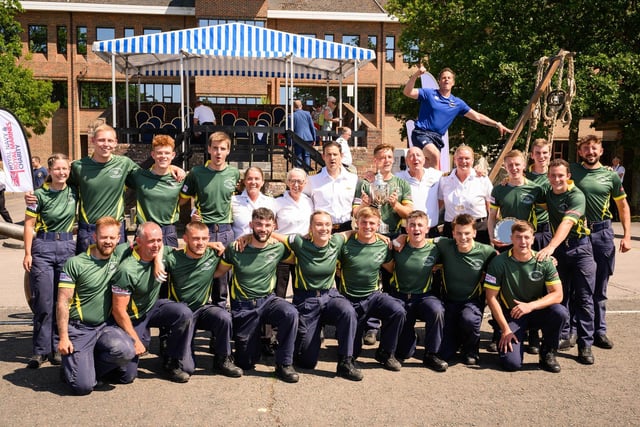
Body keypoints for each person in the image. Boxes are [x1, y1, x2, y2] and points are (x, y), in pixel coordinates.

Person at [215, 207, 300, 383]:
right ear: (251, 224)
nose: (263, 228)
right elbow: (217, 273)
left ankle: (284, 363)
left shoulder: (278, 249)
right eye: (259, 224)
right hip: (244, 306)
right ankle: (251, 345)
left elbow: (301, 256)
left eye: (268, 225)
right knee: (246, 363)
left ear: (274, 226)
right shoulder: (236, 248)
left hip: (268, 301)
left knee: (290, 312)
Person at [56, 217, 136, 394]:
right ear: (94, 236)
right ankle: (73, 369)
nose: (108, 242)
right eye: (103, 237)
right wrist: (63, 337)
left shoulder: (120, 254)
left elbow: (153, 243)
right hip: (80, 328)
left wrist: (209, 245)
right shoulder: (75, 263)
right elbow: (62, 302)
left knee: (127, 358)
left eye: (112, 238)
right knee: (82, 387)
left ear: (118, 238)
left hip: (105, 326)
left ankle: (86, 366)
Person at [282, 211, 362, 381]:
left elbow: (351, 232)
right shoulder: (299, 242)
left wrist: (379, 235)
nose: (323, 228)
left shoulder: (336, 241)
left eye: (327, 224)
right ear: (311, 227)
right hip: (307, 300)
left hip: (329, 295)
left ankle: (345, 363)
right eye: (318, 224)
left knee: (348, 310)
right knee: (306, 362)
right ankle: (312, 334)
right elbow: (274, 236)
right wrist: (247, 237)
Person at [110, 222, 194, 383]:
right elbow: (118, 311)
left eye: (159, 240)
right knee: (127, 376)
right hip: (131, 317)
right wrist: (134, 340)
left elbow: (191, 249)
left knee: (183, 313)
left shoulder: (158, 252)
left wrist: (158, 260)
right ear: (139, 241)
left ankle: (171, 361)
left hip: (151, 308)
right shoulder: (127, 269)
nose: (156, 245)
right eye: (151, 241)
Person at [571, 135, 631, 349]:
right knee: (576, 286)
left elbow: (623, 206)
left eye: (594, 148)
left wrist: (626, 235)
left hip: (601, 233)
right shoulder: (571, 172)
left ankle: (599, 331)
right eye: (586, 148)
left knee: (600, 286)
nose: (590, 152)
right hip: (577, 234)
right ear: (580, 152)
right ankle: (573, 330)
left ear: (601, 151)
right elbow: (542, 176)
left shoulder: (610, 176)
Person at [161, 221, 242, 378]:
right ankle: (171, 360)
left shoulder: (213, 255)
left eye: (204, 238)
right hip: (181, 313)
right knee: (187, 369)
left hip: (202, 309)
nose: (200, 243)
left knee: (224, 316)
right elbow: (154, 249)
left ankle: (222, 359)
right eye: (196, 238)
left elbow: (234, 253)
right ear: (185, 238)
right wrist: (158, 261)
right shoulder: (173, 258)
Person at [484, 220, 567, 373]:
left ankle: (547, 352)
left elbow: (558, 295)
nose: (523, 241)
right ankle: (503, 335)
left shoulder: (544, 261)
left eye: (527, 237)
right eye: (518, 237)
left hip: (536, 311)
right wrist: (505, 329)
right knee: (512, 365)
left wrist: (530, 306)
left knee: (560, 312)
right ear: (511, 238)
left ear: (533, 239)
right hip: (513, 314)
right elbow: (491, 298)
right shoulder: (499, 262)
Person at [536, 159, 596, 365]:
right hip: (560, 251)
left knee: (584, 298)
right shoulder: (548, 194)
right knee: (559, 298)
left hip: (580, 248)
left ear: (568, 176)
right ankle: (557, 340)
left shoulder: (576, 195)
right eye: (552, 175)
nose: (556, 179)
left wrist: (550, 246)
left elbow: (567, 222)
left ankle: (585, 344)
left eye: (561, 175)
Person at [23, 153, 78, 369]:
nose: (61, 173)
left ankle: (57, 347)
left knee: (62, 301)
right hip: (43, 248)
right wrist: (28, 253)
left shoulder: (75, 192)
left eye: (65, 169)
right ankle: (40, 350)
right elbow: (29, 225)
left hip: (67, 247)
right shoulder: (38, 195)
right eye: (57, 169)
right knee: (43, 301)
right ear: (49, 171)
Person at [403, 66, 512, 170]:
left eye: (449, 78)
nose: (446, 80)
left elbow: (477, 116)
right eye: (443, 78)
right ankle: (438, 187)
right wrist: (415, 75)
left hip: (437, 138)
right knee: (435, 155)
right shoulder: (429, 93)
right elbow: (407, 92)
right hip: (421, 133)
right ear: (439, 81)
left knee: (427, 168)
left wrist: (496, 124)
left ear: (453, 83)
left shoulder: (457, 103)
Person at [337, 207, 406, 371]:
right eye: (364, 222)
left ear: (378, 224)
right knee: (351, 353)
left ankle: (386, 352)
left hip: (373, 296)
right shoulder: (346, 244)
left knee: (398, 310)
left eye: (372, 223)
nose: (368, 226)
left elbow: (390, 268)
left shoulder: (383, 245)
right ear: (357, 223)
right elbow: (333, 266)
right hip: (350, 298)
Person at [180, 131, 240, 306]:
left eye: (222, 149)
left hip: (225, 231)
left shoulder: (234, 173)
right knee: (200, 274)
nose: (218, 152)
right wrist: (192, 214)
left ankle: (219, 319)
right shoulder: (197, 173)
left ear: (228, 151)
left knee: (223, 279)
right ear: (209, 149)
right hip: (203, 230)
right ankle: (197, 314)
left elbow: (232, 199)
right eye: (215, 148)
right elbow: (183, 199)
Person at [383, 210, 446, 372]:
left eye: (420, 225)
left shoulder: (436, 247)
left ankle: (432, 354)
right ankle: (408, 341)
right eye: (412, 225)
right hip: (400, 295)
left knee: (437, 310)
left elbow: (458, 242)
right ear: (406, 228)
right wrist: (398, 239)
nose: (416, 229)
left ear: (427, 228)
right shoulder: (396, 246)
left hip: (423, 296)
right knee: (405, 352)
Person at [435, 214, 497, 365]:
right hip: (449, 301)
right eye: (459, 233)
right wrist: (403, 237)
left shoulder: (487, 251)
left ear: (474, 233)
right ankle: (455, 342)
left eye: (467, 233)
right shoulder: (445, 245)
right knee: (445, 353)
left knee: (468, 319)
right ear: (453, 233)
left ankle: (471, 348)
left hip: (472, 301)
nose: (463, 237)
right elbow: (422, 240)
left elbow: (504, 261)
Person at [127, 135, 182, 247]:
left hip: (168, 231)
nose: (163, 156)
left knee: (168, 264)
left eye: (167, 153)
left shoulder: (180, 179)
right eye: (159, 153)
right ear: (153, 154)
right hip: (144, 230)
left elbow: (192, 196)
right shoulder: (139, 176)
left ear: (173, 155)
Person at [487, 149, 545, 250]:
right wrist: (492, 237)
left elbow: (549, 211)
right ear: (505, 167)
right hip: (505, 239)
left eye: (517, 164)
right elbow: (492, 216)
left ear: (524, 165)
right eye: (510, 165)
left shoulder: (536, 189)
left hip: (527, 239)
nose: (514, 168)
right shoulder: (498, 190)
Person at [354, 143, 413, 238]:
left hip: (394, 235)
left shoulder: (402, 184)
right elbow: (356, 214)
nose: (387, 161)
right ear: (375, 161)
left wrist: (396, 205)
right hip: (370, 236)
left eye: (389, 157)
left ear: (393, 159)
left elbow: (409, 214)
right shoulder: (364, 184)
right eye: (382, 158)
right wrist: (364, 205)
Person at [439, 145, 492, 244]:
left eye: (467, 158)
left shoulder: (482, 179)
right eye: (460, 158)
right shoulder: (444, 180)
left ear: (472, 160)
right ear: (455, 160)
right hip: (452, 229)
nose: (463, 162)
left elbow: (490, 207)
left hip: (479, 229)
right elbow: (439, 203)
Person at [274, 168, 314, 298]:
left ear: (305, 183)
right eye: (292, 181)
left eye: (299, 181)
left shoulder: (309, 201)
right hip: (283, 248)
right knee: (279, 287)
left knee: (301, 288)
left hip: (303, 248)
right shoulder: (277, 201)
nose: (296, 185)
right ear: (287, 182)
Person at [304, 141, 358, 233]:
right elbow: (305, 205)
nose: (332, 158)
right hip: (321, 229)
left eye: (335, 154)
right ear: (323, 157)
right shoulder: (312, 179)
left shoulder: (352, 179)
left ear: (341, 156)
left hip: (345, 229)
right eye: (328, 154)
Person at [395, 146, 443, 237]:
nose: (415, 158)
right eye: (411, 156)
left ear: (424, 159)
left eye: (418, 155)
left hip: (431, 231)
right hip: (409, 231)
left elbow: (442, 199)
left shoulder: (437, 175)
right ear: (406, 160)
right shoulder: (398, 178)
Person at [231, 166, 277, 239]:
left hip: (264, 247)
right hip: (240, 248)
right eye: (249, 179)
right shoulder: (233, 201)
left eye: (257, 179)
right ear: (244, 182)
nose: (253, 182)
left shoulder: (271, 202)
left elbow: (274, 227)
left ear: (262, 182)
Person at [525, 138, 553, 250]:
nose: (541, 156)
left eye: (545, 152)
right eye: (538, 153)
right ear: (532, 155)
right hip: (527, 228)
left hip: (548, 228)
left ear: (550, 154)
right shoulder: (524, 177)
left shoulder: (558, 175)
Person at [291, 100, 316, 167]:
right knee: (307, 156)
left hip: (297, 138)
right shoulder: (307, 114)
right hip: (308, 138)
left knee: (298, 156)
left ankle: (299, 174)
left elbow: (290, 129)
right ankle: (307, 174)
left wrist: (289, 141)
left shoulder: (291, 116)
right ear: (301, 106)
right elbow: (312, 127)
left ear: (293, 107)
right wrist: (314, 138)